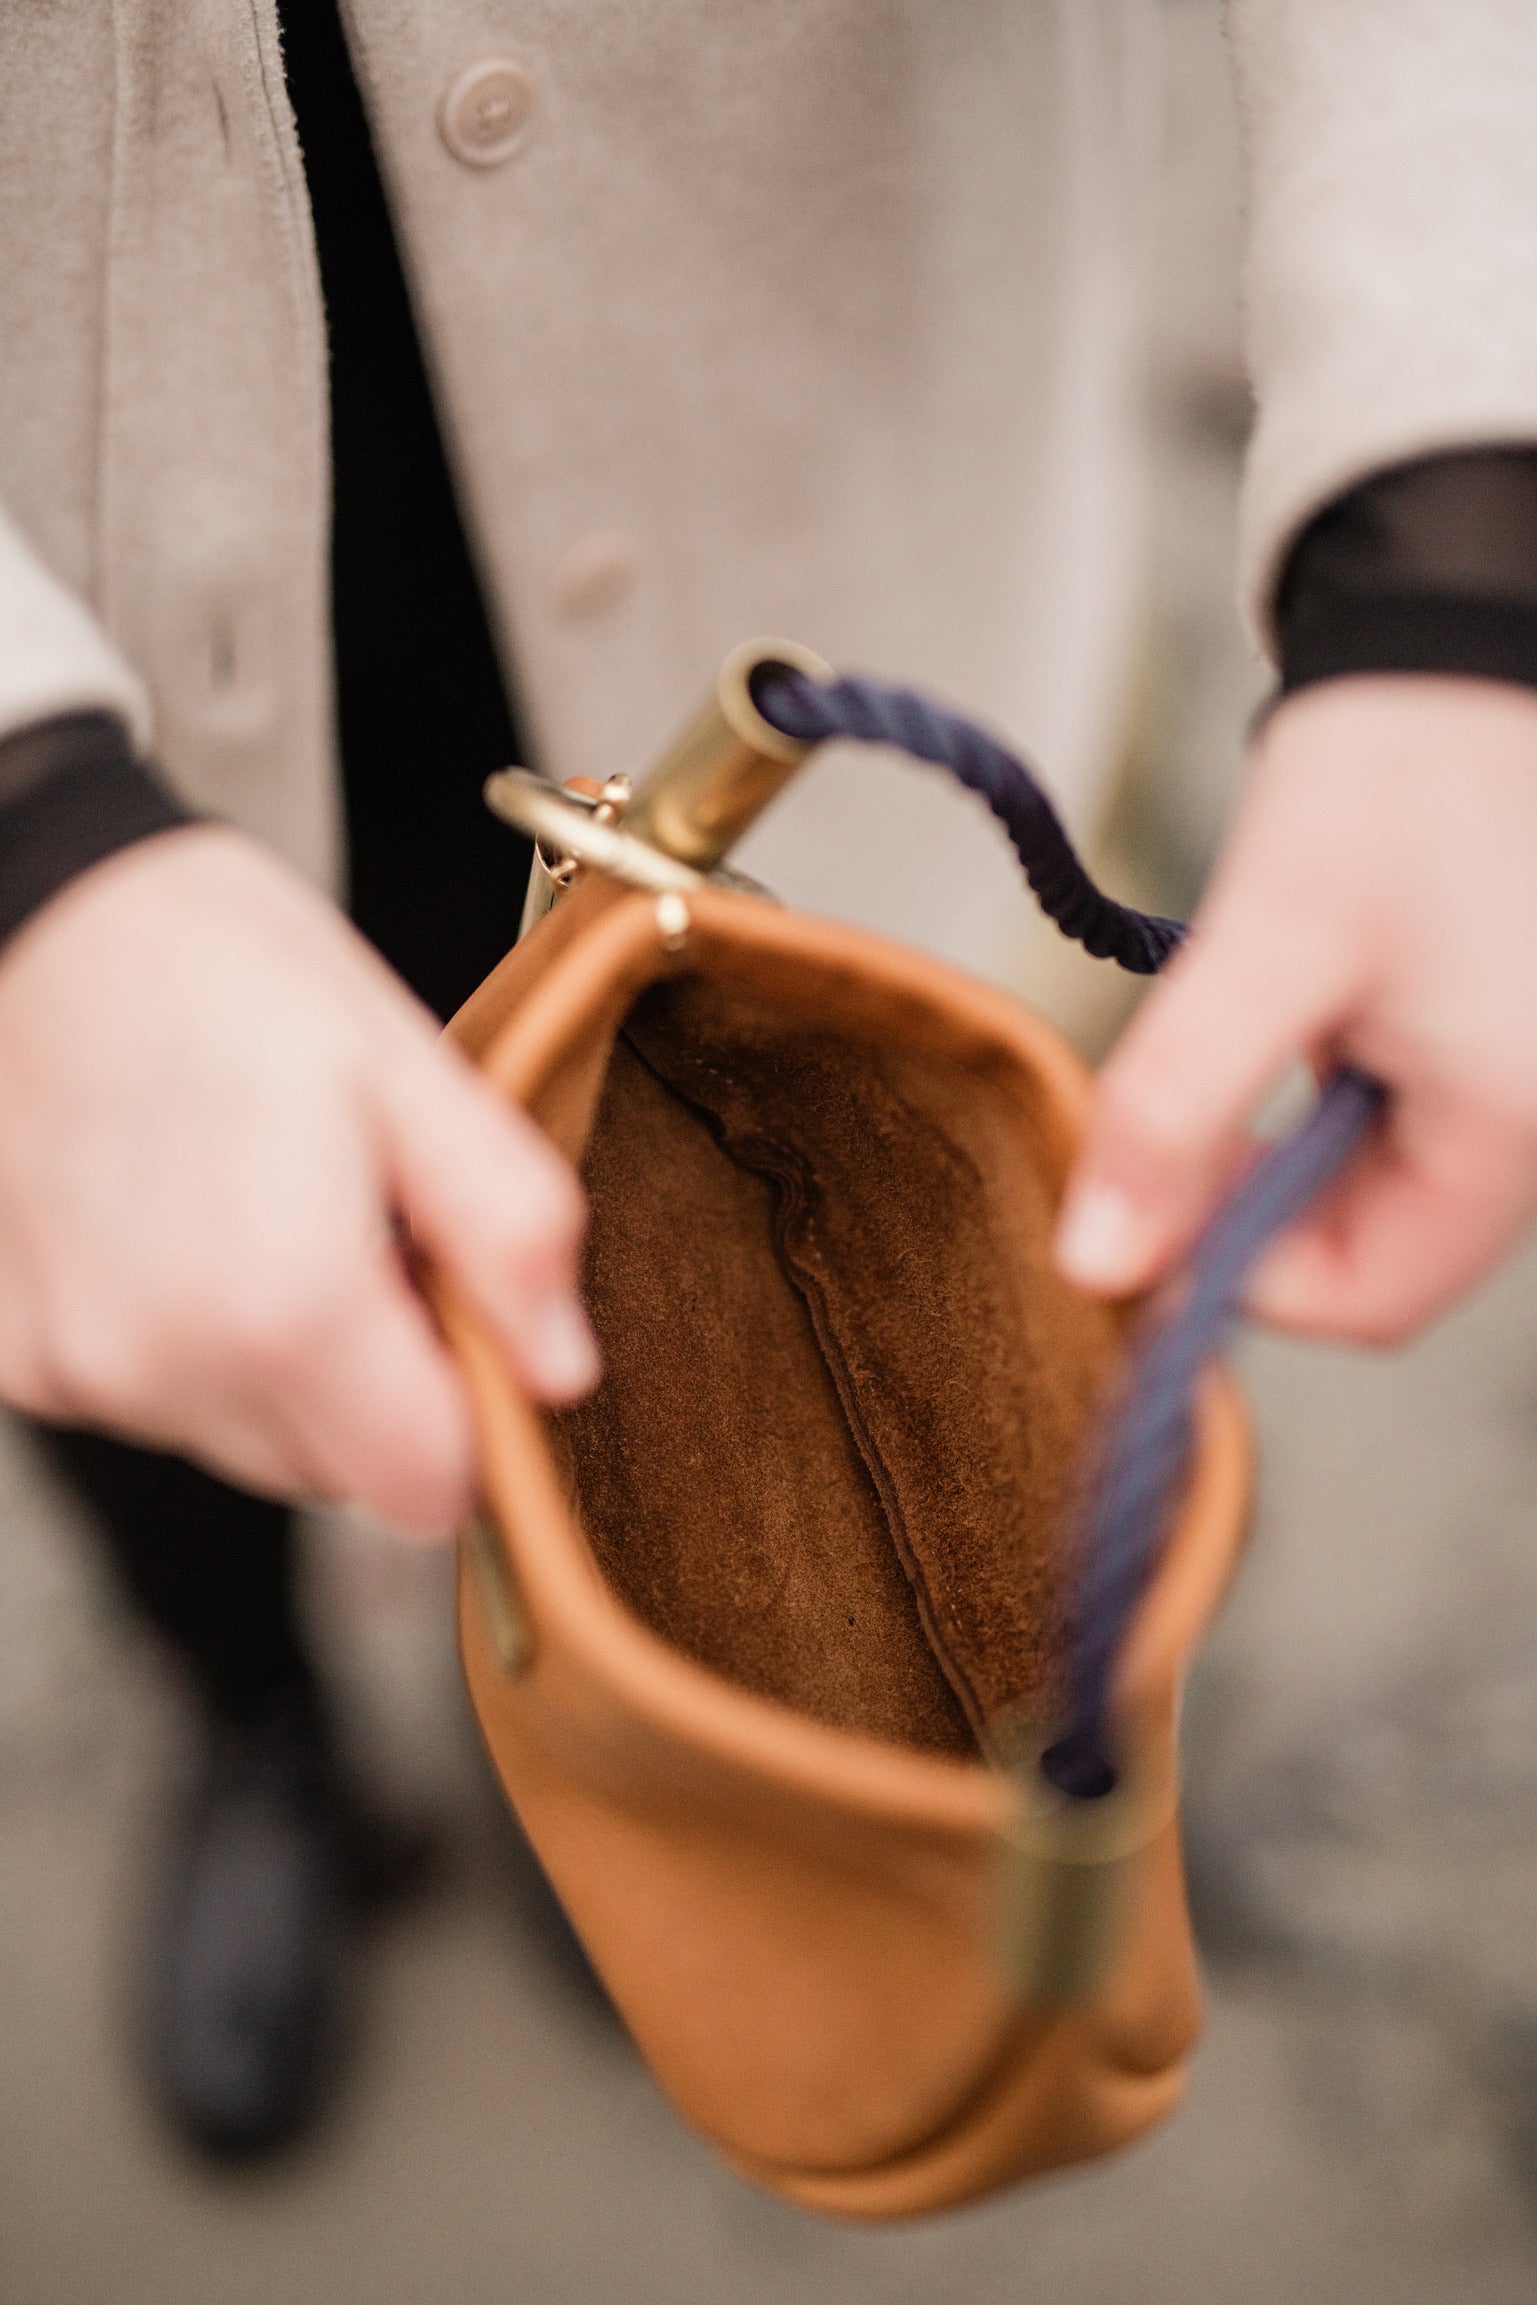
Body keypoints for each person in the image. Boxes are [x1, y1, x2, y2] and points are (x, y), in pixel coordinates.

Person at [0, 0, 1533, 2158]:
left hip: (841, 458)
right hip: (81, 665)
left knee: (847, 1267)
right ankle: (262, 1726)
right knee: (149, 1333)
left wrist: (1462, 524)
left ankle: (625, 1762)